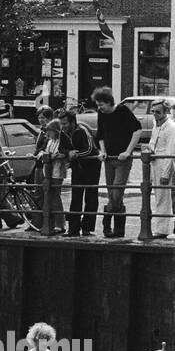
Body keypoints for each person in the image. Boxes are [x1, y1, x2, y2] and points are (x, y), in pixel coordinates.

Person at [92, 87, 142, 239]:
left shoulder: (123, 111)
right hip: (109, 159)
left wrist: (128, 151)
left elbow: (137, 129)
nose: (99, 108)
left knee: (116, 192)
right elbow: (100, 134)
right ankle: (119, 230)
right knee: (111, 192)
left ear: (109, 102)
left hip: (122, 160)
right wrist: (102, 151)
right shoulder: (101, 114)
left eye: (101, 105)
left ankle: (107, 223)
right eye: (98, 105)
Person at [59, 107, 100, 236]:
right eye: (61, 123)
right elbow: (61, 148)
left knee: (90, 196)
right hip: (77, 166)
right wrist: (68, 152)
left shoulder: (82, 131)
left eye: (65, 123)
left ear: (72, 122)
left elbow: (90, 149)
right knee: (76, 196)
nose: (63, 126)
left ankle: (87, 227)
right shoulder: (63, 133)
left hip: (91, 166)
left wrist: (76, 155)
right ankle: (74, 228)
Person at [147, 99, 175, 239]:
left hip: (164, 163)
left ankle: (163, 229)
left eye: (158, 112)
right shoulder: (156, 124)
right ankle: (160, 227)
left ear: (166, 112)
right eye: (153, 111)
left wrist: (166, 173)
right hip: (155, 163)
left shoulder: (171, 127)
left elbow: (171, 151)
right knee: (158, 196)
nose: (155, 114)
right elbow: (153, 141)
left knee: (164, 197)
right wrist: (150, 150)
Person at [41, 119, 68, 233]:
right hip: (48, 171)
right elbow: (46, 152)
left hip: (57, 171)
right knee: (49, 197)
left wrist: (52, 156)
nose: (48, 134)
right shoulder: (50, 141)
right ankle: (51, 223)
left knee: (55, 197)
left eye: (50, 131)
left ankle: (60, 224)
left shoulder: (61, 141)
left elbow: (59, 154)